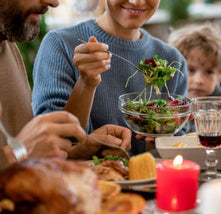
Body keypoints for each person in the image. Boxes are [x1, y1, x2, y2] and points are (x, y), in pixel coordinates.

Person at [32, 0, 188, 154]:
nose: (136, 2)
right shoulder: (60, 44)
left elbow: (179, 150)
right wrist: (86, 83)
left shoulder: (172, 61)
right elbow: (51, 141)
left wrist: (160, 145)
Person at [0, 0, 132, 171]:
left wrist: (75, 152)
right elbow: (18, 155)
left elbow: (21, 167)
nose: (53, 3)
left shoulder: (8, 46)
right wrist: (18, 153)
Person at [167, 23, 221, 132]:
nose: (199, 80)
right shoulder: (166, 103)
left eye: (209, 72)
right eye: (190, 70)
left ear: (219, 78)